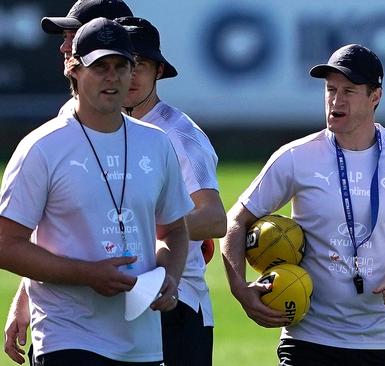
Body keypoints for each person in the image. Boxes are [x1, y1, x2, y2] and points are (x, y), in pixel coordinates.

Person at [221, 43, 385, 366]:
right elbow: (236, 220)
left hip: (381, 342)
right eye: (330, 89)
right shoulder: (296, 157)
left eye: (349, 91)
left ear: (375, 97)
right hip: (307, 341)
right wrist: (239, 288)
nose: (335, 99)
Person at [0, 17, 193, 365]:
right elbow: (5, 245)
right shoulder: (41, 147)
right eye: (99, 66)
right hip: (67, 337)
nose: (112, 76)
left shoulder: (157, 144)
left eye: (121, 66)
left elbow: (174, 230)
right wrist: (87, 275)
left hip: (142, 341)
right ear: (74, 70)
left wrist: (170, 275)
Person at [4, 1, 134, 363]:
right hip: (71, 330)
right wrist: (26, 295)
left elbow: (203, 219)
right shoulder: (59, 130)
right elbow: (62, 223)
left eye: (73, 35)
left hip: (156, 316)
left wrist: (166, 257)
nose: (64, 47)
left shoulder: (165, 133)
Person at [114, 16, 227, 365]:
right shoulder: (103, 131)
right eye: (122, 65)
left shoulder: (178, 135)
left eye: (141, 66)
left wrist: (142, 232)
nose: (131, 76)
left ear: (159, 71)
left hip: (177, 302)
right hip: (119, 300)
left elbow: (213, 218)